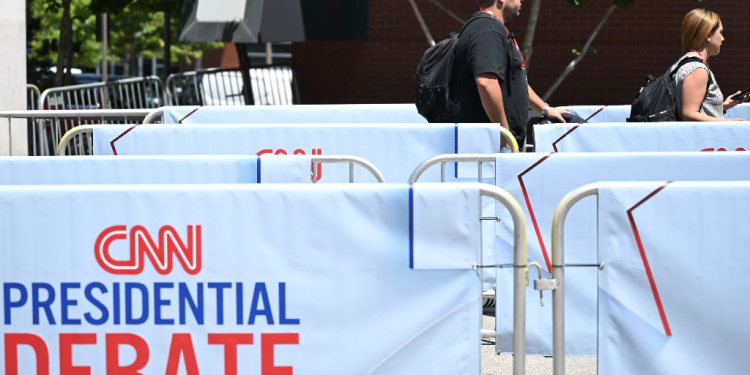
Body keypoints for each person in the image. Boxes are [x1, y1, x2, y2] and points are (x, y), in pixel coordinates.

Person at [450, 0, 569, 147]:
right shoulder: (487, 29)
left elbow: (516, 81)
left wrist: (545, 109)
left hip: (499, 143)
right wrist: (503, 134)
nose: (521, 1)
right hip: (493, 147)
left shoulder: (490, 27)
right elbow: (486, 82)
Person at [674, 8, 747, 121]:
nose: (723, 38)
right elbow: (689, 114)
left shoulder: (686, 61)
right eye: (720, 32)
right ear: (708, 35)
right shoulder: (696, 69)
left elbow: (697, 108)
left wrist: (723, 106)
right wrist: (729, 123)